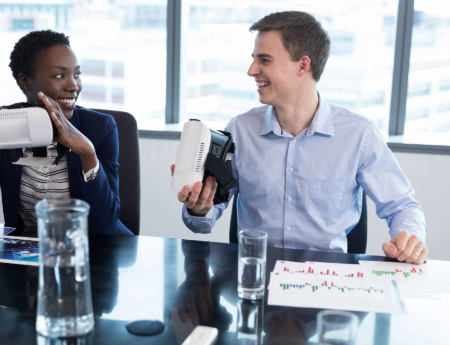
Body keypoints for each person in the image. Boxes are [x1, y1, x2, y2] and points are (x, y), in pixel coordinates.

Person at [174, 11, 427, 263]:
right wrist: (199, 209)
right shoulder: (240, 130)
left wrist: (409, 238)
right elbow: (203, 220)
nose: (252, 70)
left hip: (327, 285)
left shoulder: (358, 135)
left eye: (264, 60)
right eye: (254, 59)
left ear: (303, 65)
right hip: (255, 281)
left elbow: (403, 206)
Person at [0, 30, 132, 235]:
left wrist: (88, 154)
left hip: (95, 250)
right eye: (60, 76)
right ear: (25, 81)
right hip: (31, 251)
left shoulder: (100, 128)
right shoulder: (3, 126)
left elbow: (105, 225)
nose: (74, 86)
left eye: (77, 75)